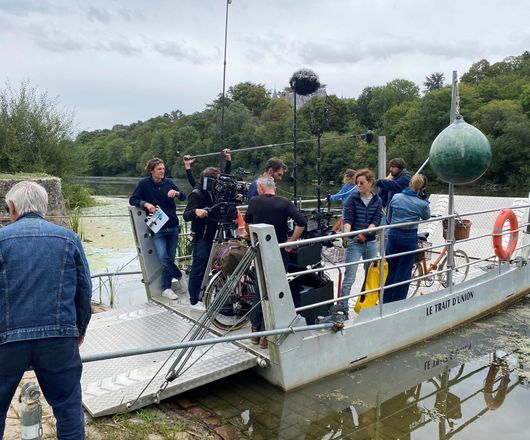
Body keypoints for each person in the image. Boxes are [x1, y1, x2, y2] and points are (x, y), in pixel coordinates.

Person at [0, 181, 92, 439]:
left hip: (7, 340)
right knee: (68, 408)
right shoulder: (68, 238)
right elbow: (84, 289)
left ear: (12, 207)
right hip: (59, 338)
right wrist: (79, 329)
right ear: (44, 207)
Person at [245, 176, 307, 347]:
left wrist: (251, 236)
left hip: (260, 250)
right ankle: (266, 336)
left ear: (261, 187)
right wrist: (291, 241)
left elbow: (248, 221)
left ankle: (255, 331)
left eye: (258, 187)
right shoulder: (285, 202)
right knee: (274, 291)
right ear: (273, 187)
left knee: (260, 289)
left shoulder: (254, 201)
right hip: (278, 251)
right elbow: (301, 222)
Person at [129, 157, 187, 300]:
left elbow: (183, 196)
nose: (162, 171)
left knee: (170, 258)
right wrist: (146, 204)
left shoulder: (169, 183)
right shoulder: (144, 184)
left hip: (173, 226)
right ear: (151, 171)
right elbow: (133, 199)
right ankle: (179, 275)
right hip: (158, 228)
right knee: (163, 257)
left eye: (163, 169)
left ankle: (166, 288)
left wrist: (176, 193)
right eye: (159, 169)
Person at [340, 169, 383, 312]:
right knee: (349, 277)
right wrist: (346, 235)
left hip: (370, 242)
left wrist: (364, 234)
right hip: (354, 243)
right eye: (357, 183)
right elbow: (348, 219)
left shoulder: (377, 200)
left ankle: (367, 304)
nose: (358, 185)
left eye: (362, 183)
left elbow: (376, 220)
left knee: (371, 274)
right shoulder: (352, 199)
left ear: (370, 183)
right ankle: (343, 307)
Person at [383, 174, 430, 304]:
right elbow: (427, 216)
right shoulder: (421, 203)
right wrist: (423, 199)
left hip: (393, 235)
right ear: (423, 188)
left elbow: (388, 218)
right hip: (408, 237)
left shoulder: (396, 197)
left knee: (391, 268)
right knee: (404, 271)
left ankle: (385, 301)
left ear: (410, 183)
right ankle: (398, 303)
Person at [183, 166, 222, 311]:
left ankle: (207, 293)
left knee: (214, 266)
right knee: (198, 267)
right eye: (216, 180)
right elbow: (186, 215)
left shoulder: (213, 192)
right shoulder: (196, 194)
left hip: (214, 233)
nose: (218, 184)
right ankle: (194, 300)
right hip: (202, 236)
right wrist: (196, 211)